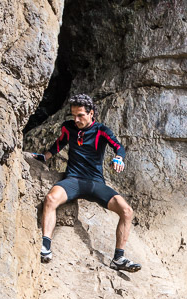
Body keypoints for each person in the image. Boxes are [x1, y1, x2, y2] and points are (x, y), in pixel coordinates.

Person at [33, 94, 141, 271]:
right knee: (51, 199)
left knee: (127, 211)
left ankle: (118, 259)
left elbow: (118, 147)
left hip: (95, 183)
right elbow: (59, 144)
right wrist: (44, 157)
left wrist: (119, 158)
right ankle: (45, 247)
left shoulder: (101, 130)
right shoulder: (69, 127)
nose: (76, 119)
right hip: (73, 180)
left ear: (91, 114)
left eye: (80, 115)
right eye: (73, 115)